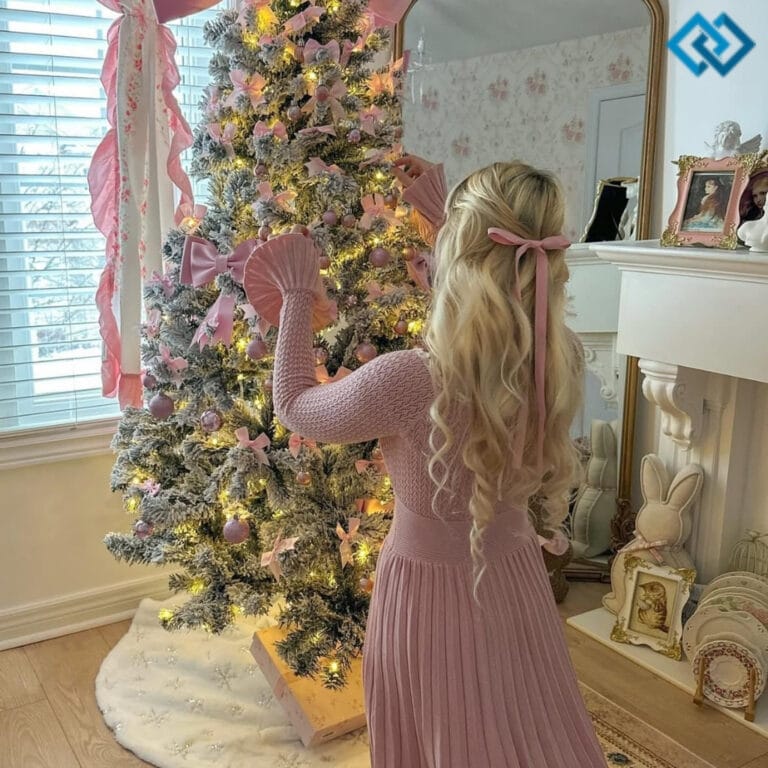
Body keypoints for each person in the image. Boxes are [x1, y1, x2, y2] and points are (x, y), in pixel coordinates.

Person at [245, 157, 605, 767]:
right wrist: (442, 218)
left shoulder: (409, 380)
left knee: (443, 728)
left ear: (457, 260)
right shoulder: (557, 354)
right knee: (518, 719)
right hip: (513, 576)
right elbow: (488, 290)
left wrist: (299, 295)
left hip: (428, 593)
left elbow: (297, 406)